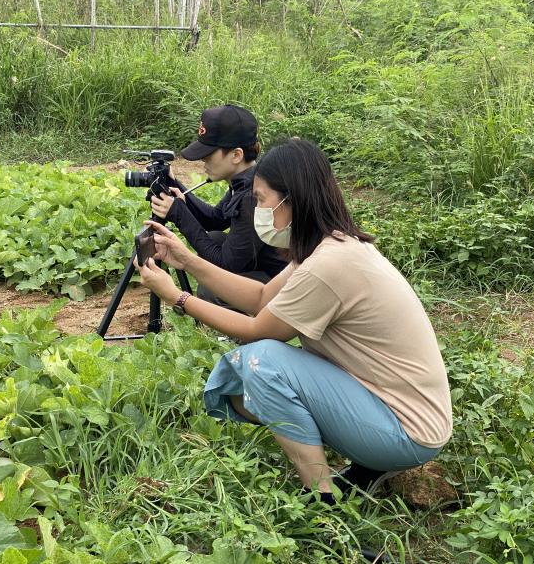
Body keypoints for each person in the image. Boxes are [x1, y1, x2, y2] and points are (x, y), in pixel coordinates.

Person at [135, 138, 453, 503]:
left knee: (263, 363)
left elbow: (258, 329)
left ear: (293, 200)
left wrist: (177, 297)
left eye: (262, 199)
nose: (257, 209)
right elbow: (260, 298)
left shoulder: (329, 265)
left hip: (406, 432)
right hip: (398, 411)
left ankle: (321, 498)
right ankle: (366, 464)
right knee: (238, 384)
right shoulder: (331, 246)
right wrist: (186, 260)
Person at [150, 104, 287, 303]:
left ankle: (247, 325)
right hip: (265, 267)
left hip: (283, 284)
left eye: (208, 155)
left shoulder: (253, 195)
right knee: (214, 238)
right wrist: (177, 188)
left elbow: (225, 265)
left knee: (211, 289)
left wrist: (179, 213)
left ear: (236, 155)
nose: (203, 162)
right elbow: (215, 220)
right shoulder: (245, 179)